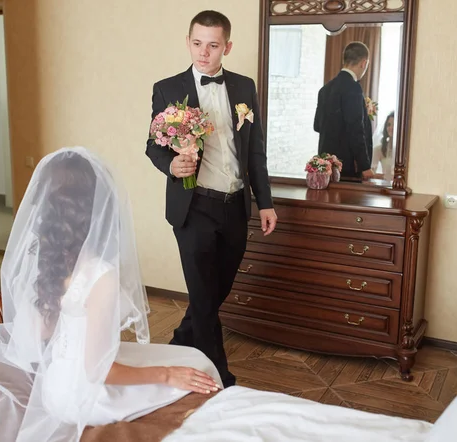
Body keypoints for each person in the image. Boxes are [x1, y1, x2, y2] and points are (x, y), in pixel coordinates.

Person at [0, 147, 221, 442]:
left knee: (188, 358)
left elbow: (43, 334)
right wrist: (166, 375)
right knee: (195, 363)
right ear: (95, 208)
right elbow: (100, 372)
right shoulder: (100, 276)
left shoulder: (47, 260)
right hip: (87, 396)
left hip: (54, 385)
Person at [145, 10, 277, 388]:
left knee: (216, 289)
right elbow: (153, 146)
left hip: (235, 205)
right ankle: (218, 377)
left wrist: (264, 201)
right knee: (203, 294)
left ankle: (182, 341)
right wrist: (173, 167)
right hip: (193, 206)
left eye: (213, 45)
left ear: (227, 47)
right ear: (189, 43)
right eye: (198, 44)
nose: (204, 53)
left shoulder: (244, 88)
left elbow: (256, 151)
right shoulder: (167, 89)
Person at [314, 41, 374, 180]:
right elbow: (356, 130)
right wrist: (365, 166)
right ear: (364, 63)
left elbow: (317, 126)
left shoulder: (325, 89)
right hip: (347, 166)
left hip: (325, 164)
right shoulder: (353, 88)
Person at [371, 111, 395, 181]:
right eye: (389, 124)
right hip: (386, 187)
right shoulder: (379, 149)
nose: (391, 128)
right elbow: (371, 173)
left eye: (394, 125)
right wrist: (386, 177)